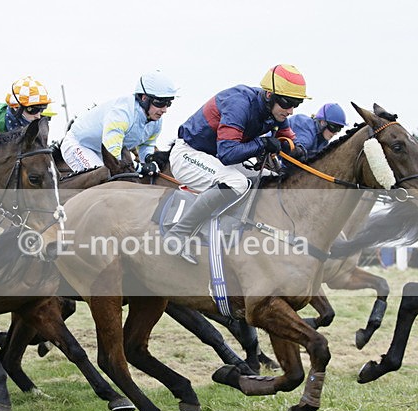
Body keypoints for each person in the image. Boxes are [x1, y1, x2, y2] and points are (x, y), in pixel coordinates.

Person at [165, 64, 310, 264]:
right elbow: (228, 153)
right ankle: (178, 234)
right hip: (190, 154)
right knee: (237, 183)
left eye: (297, 103)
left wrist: (299, 150)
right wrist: (262, 143)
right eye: (288, 103)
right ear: (269, 95)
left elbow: (289, 141)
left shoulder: (276, 112)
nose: (291, 110)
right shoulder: (239, 104)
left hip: (215, 159)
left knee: (272, 180)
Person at [60, 71, 177, 173]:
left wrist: (150, 161)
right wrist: (142, 168)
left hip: (102, 151)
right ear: (144, 98)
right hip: (79, 144)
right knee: (103, 179)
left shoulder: (156, 122)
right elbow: (114, 157)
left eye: (168, 103)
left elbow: (146, 145)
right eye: (160, 103)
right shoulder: (121, 114)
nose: (164, 110)